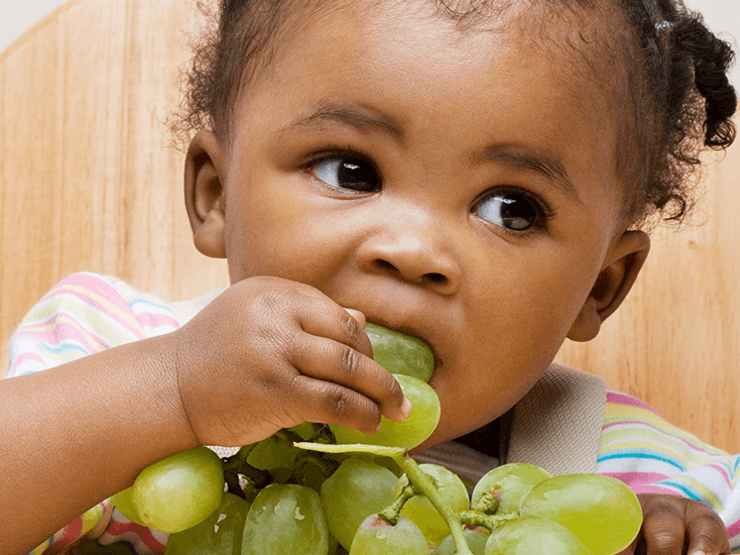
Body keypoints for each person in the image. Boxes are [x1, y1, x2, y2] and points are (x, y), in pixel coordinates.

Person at [1, 0, 737, 553]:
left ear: (601, 286)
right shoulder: (105, 350)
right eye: (351, 171)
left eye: (512, 208)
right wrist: (171, 388)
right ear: (216, 194)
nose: (413, 249)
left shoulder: (637, 473)